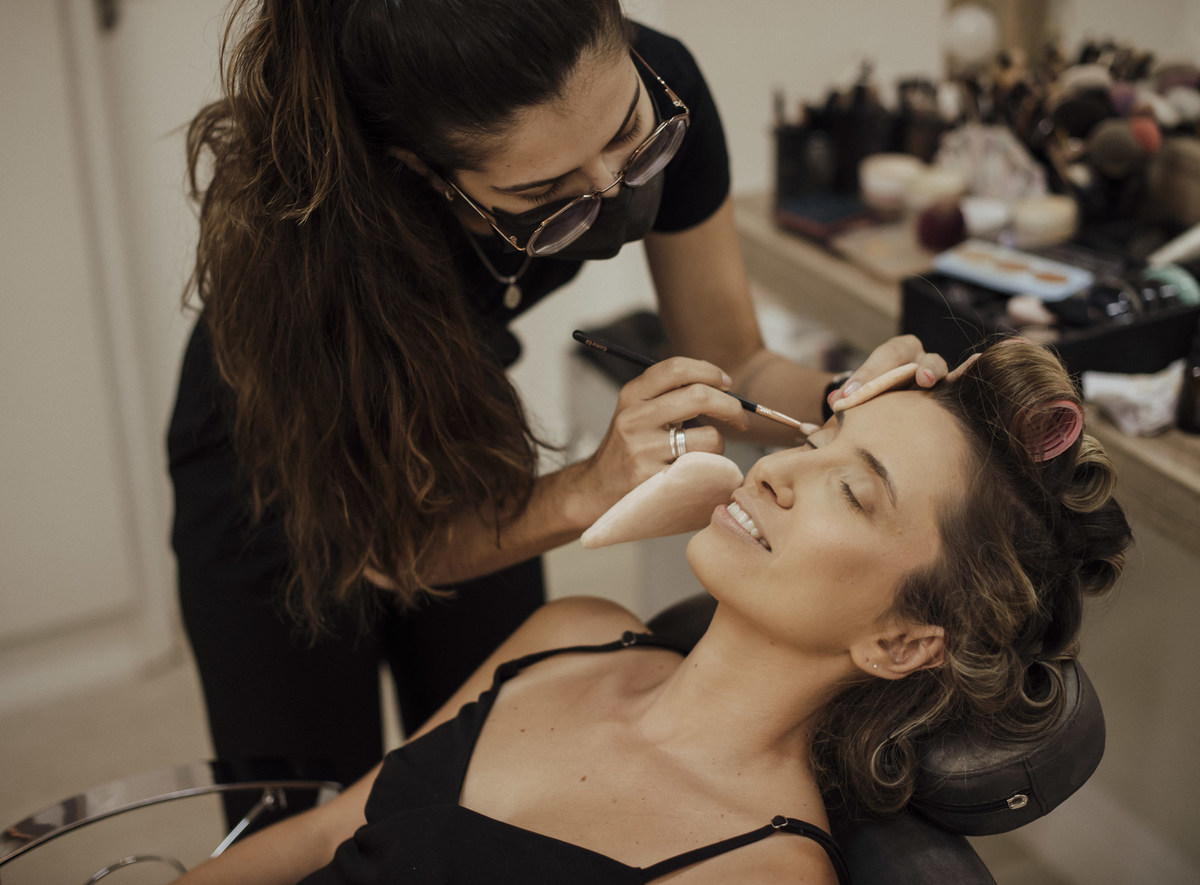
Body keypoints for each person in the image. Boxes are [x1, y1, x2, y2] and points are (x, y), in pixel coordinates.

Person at [168, 0, 955, 821]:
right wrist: (590, 485)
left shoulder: (664, 89)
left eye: (627, 137)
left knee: (488, 780)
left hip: (462, 400)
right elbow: (388, 551)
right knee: (309, 814)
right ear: (420, 168)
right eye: (545, 190)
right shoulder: (318, 237)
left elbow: (741, 361)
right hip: (272, 454)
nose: (613, 189)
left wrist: (847, 397)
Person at [173, 339, 1133, 884]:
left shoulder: (754, 875)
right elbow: (317, 836)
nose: (782, 468)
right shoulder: (569, 632)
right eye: (822, 432)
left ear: (900, 639)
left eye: (855, 489)